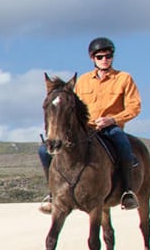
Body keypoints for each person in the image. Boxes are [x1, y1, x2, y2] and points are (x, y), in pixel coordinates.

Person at [40, 35, 142, 212]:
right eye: (100, 57)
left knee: (122, 143)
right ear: (92, 58)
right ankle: (52, 192)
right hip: (86, 129)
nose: (104, 60)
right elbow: (74, 109)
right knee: (43, 150)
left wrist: (112, 119)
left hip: (110, 127)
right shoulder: (83, 81)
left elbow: (134, 107)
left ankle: (127, 192)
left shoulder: (124, 78)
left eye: (108, 56)